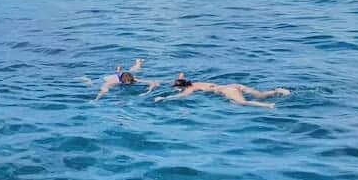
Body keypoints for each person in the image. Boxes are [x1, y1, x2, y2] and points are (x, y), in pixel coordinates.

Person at [154, 72, 290, 109]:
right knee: (260, 95)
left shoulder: (190, 88)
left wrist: (164, 98)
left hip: (228, 90)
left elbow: (182, 96)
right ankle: (277, 91)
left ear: (182, 87)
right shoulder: (194, 83)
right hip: (234, 85)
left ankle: (267, 105)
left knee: (242, 103)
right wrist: (180, 76)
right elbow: (181, 78)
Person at [91, 58, 161, 101]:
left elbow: (151, 82)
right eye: (127, 83)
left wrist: (148, 91)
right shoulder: (113, 82)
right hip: (108, 78)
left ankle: (138, 62)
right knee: (90, 83)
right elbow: (104, 90)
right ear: (122, 81)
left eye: (130, 82)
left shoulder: (132, 79)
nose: (128, 84)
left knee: (134, 71)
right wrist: (96, 99)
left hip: (123, 75)